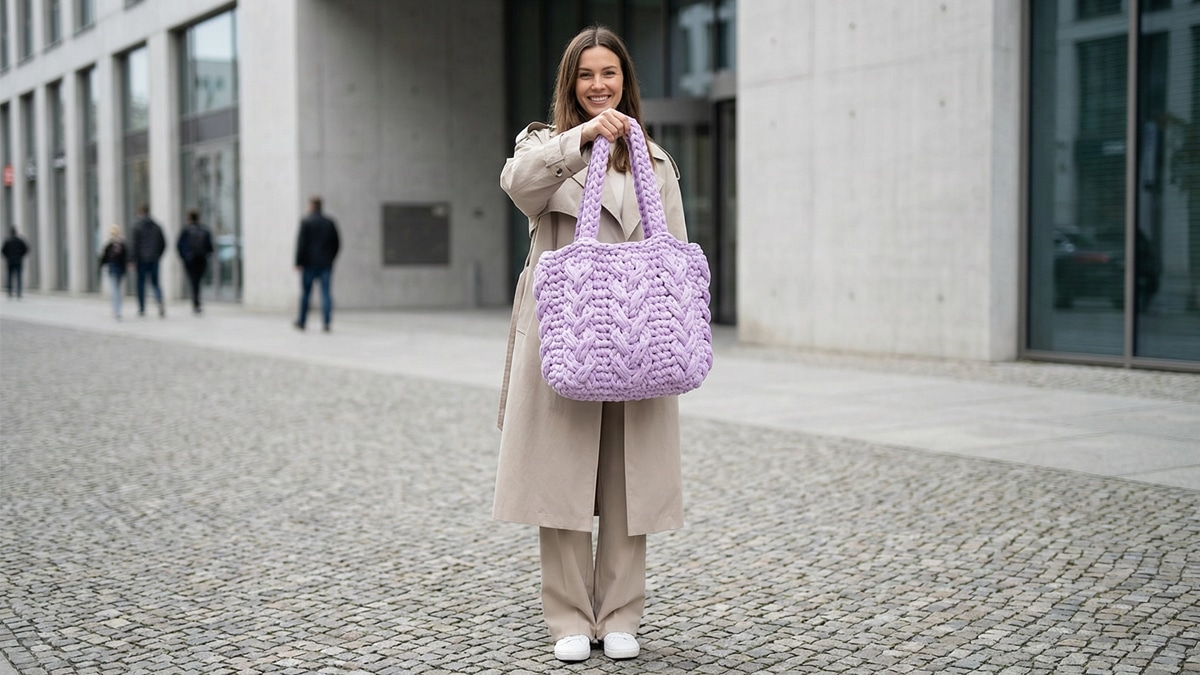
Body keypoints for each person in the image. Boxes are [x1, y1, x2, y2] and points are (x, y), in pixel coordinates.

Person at [494, 25, 690, 663]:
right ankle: (569, 617)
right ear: (570, 84)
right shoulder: (545, 146)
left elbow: (676, 253)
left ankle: (622, 613)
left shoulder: (655, 160)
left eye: (609, 74)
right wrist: (580, 141)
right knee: (563, 478)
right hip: (568, 333)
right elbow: (518, 185)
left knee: (630, 483)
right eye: (586, 75)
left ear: (625, 80)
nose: (599, 85)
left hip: (639, 338)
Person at [293, 197, 340, 332]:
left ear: (312, 206)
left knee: (306, 293)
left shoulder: (306, 222)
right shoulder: (329, 222)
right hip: (326, 264)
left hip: (309, 264)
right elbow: (337, 244)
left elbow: (301, 244)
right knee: (325, 293)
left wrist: (298, 262)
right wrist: (331, 258)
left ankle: (302, 321)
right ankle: (326, 323)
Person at [130, 204, 167, 318]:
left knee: (141, 284)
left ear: (141, 212)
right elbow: (163, 243)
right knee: (155, 283)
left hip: (141, 259)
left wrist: (132, 259)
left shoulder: (137, 226)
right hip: (154, 258)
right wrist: (158, 255)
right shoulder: (156, 226)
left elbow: (134, 245)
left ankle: (142, 308)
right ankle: (159, 300)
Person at [176, 209, 214, 315]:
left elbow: (179, 245)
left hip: (190, 260)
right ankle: (197, 302)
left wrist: (184, 257)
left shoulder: (186, 230)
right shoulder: (204, 230)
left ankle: (196, 302)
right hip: (201, 259)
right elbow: (210, 247)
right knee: (197, 281)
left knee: (193, 281)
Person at [99, 225, 129, 320]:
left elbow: (103, 259)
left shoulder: (109, 245)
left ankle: (116, 311)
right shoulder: (122, 245)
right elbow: (126, 258)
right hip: (120, 270)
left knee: (115, 291)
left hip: (113, 270)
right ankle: (117, 310)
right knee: (118, 290)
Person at [2, 226, 29, 299]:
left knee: (10, 277)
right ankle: (19, 292)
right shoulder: (20, 241)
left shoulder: (7, 241)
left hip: (10, 261)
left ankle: (10, 292)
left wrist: (8, 257)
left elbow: (3, 251)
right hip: (18, 260)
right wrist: (20, 256)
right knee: (19, 277)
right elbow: (26, 249)